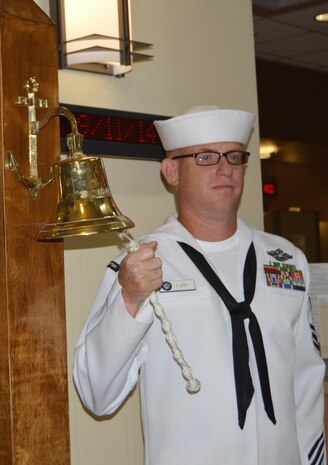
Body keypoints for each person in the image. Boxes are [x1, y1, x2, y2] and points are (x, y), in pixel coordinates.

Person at [73, 106, 326, 465]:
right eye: (205, 157)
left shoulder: (285, 259)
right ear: (171, 172)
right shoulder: (141, 264)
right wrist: (128, 299)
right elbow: (96, 395)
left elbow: (307, 381)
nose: (225, 168)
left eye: (235, 156)